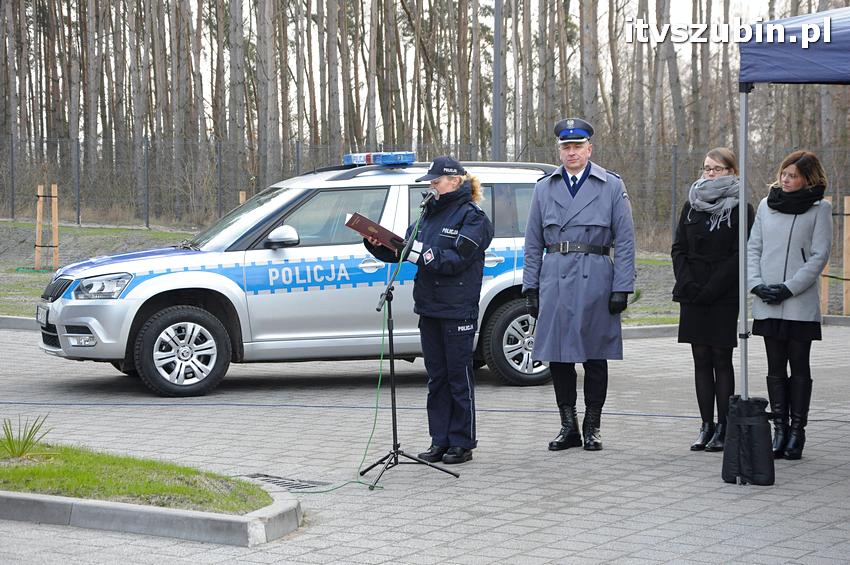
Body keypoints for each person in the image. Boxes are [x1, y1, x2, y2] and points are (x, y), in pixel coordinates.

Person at [364, 156, 494, 465]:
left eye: (436, 181)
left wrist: (417, 252)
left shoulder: (473, 218)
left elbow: (453, 261)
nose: (431, 186)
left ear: (455, 181)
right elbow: (403, 249)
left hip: (457, 308)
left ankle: (462, 442)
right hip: (430, 307)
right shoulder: (427, 215)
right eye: (430, 182)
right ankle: (440, 439)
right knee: (436, 378)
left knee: (457, 377)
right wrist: (376, 243)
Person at [522, 118, 636, 452]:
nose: (571, 152)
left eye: (577, 146)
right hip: (555, 276)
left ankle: (593, 426)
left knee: (594, 355)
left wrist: (622, 286)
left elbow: (626, 240)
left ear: (589, 148)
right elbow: (532, 242)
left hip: (596, 276)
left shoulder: (611, 185)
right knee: (558, 356)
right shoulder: (545, 187)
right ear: (559, 150)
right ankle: (568, 425)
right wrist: (531, 286)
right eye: (565, 147)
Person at [748, 150, 832, 460]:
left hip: (797, 303)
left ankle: (797, 431)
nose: (786, 178)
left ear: (807, 179)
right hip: (767, 299)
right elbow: (753, 247)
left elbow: (819, 256)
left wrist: (789, 288)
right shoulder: (766, 206)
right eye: (784, 172)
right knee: (774, 366)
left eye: (793, 175)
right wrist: (756, 284)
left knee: (798, 365)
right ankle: (779, 429)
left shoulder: (819, 209)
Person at [671, 147, 755, 453]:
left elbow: (739, 255)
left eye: (716, 169)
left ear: (732, 172)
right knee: (700, 358)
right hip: (693, 293)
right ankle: (705, 425)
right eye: (706, 168)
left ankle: (724, 425)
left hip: (722, 294)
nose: (709, 174)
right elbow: (678, 248)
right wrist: (688, 282)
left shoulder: (741, 209)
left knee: (721, 357)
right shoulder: (691, 206)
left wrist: (711, 288)